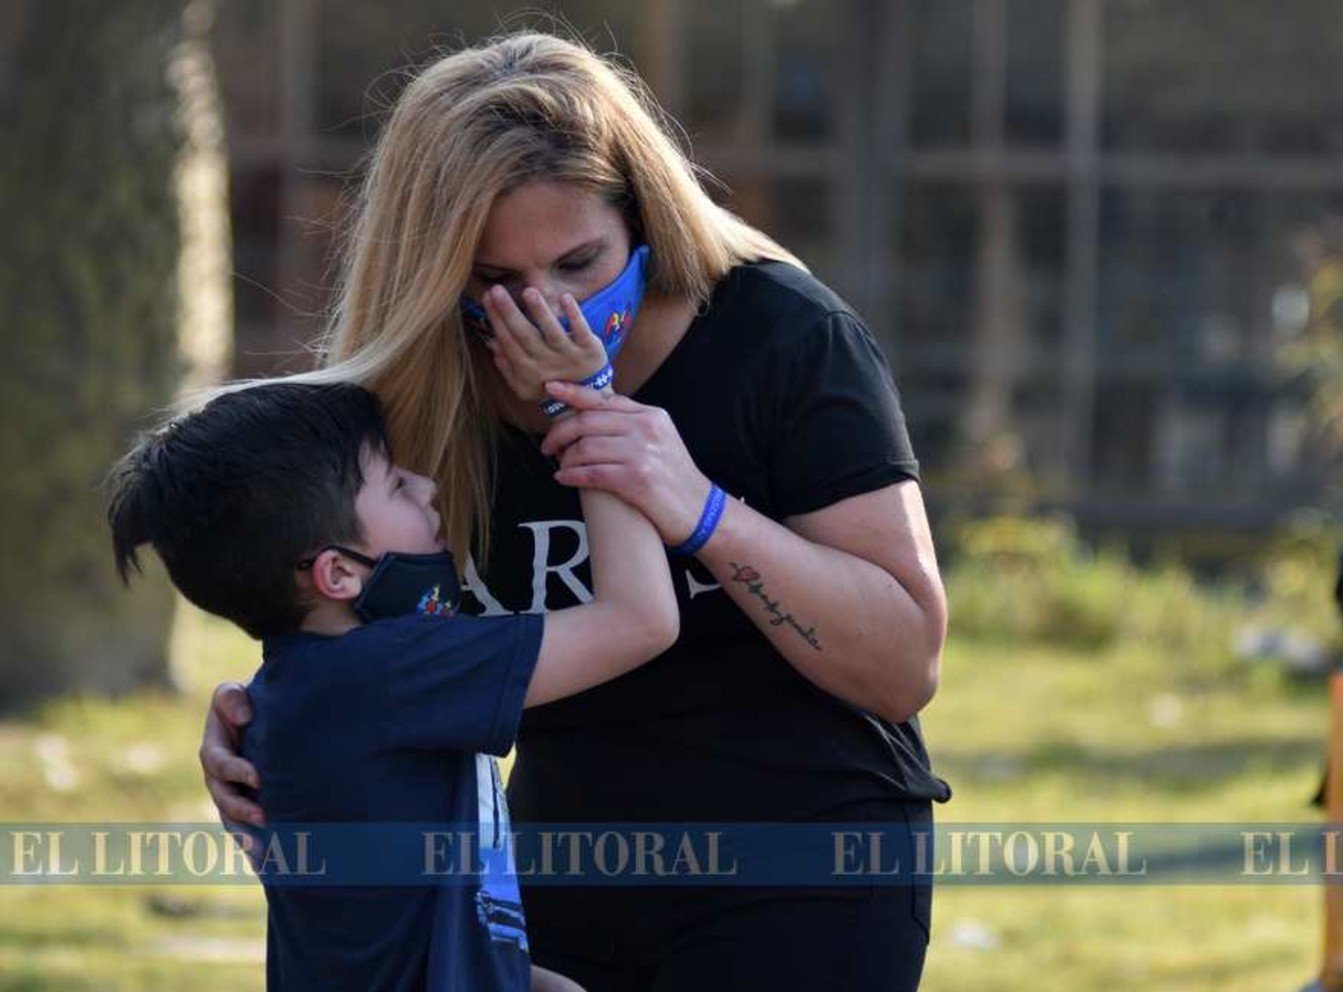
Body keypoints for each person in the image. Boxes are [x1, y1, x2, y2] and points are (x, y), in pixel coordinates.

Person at [198, 29, 952, 992]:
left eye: (580, 263)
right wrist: (269, 719)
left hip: (804, 857)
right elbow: (362, 621)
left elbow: (902, 666)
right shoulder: (421, 388)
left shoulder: (781, 336)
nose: (549, 308)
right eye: (496, 282)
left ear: (641, 217)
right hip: (558, 864)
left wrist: (699, 509)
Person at [109, 374, 677, 992]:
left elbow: (389, 933)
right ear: (337, 574)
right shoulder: (394, 671)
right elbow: (640, 620)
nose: (429, 488)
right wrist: (590, 408)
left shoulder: (295, 691)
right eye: (399, 486)